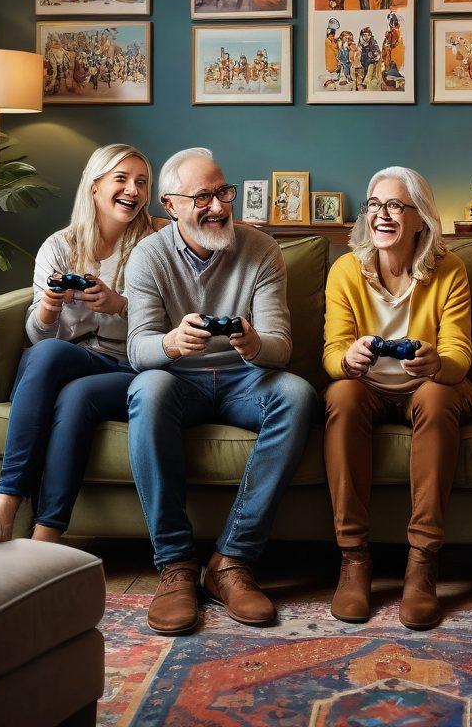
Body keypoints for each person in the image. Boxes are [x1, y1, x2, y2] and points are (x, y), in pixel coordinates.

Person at [124, 148, 319, 636]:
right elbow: (137, 349)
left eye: (223, 192)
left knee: (297, 394)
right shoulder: (147, 256)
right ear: (170, 205)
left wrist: (256, 343)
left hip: (243, 379)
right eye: (202, 197)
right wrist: (169, 343)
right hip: (179, 380)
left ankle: (231, 560)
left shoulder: (261, 250)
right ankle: (175, 565)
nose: (218, 205)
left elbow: (282, 346)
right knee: (147, 389)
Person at [322, 166, 472, 630]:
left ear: (419, 218)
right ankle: (353, 560)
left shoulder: (449, 269)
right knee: (342, 396)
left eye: (394, 206)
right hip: (368, 387)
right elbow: (332, 350)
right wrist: (348, 361)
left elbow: (459, 354)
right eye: (373, 205)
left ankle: (422, 563)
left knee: (435, 397)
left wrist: (437, 363)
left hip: (429, 387)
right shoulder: (346, 269)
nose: (381, 215)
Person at [0, 145, 154, 543]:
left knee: (76, 393)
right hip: (70, 360)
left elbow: (172, 319)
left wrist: (119, 305)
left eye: (142, 182)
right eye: (122, 179)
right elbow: (38, 335)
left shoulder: (156, 243)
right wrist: (47, 308)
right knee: (46, 351)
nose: (133, 190)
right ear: (95, 186)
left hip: (132, 366)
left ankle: (45, 532)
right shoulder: (60, 247)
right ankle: (6, 505)